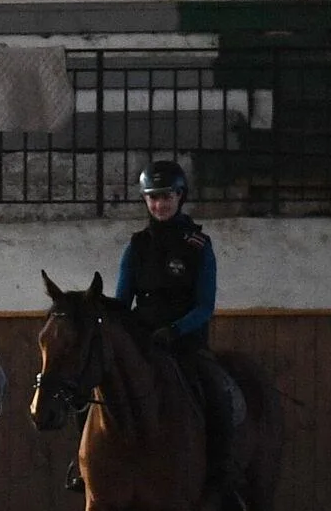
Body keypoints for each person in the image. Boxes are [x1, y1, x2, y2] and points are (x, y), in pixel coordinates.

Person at [65, 159, 233, 492]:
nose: (159, 204)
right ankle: (84, 464)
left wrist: (174, 330)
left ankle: (221, 466)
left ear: (180, 196)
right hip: (143, 341)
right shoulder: (137, 246)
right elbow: (123, 302)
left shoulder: (198, 246)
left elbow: (205, 306)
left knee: (217, 389)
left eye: (166, 196)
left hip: (185, 343)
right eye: (153, 197)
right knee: (91, 383)